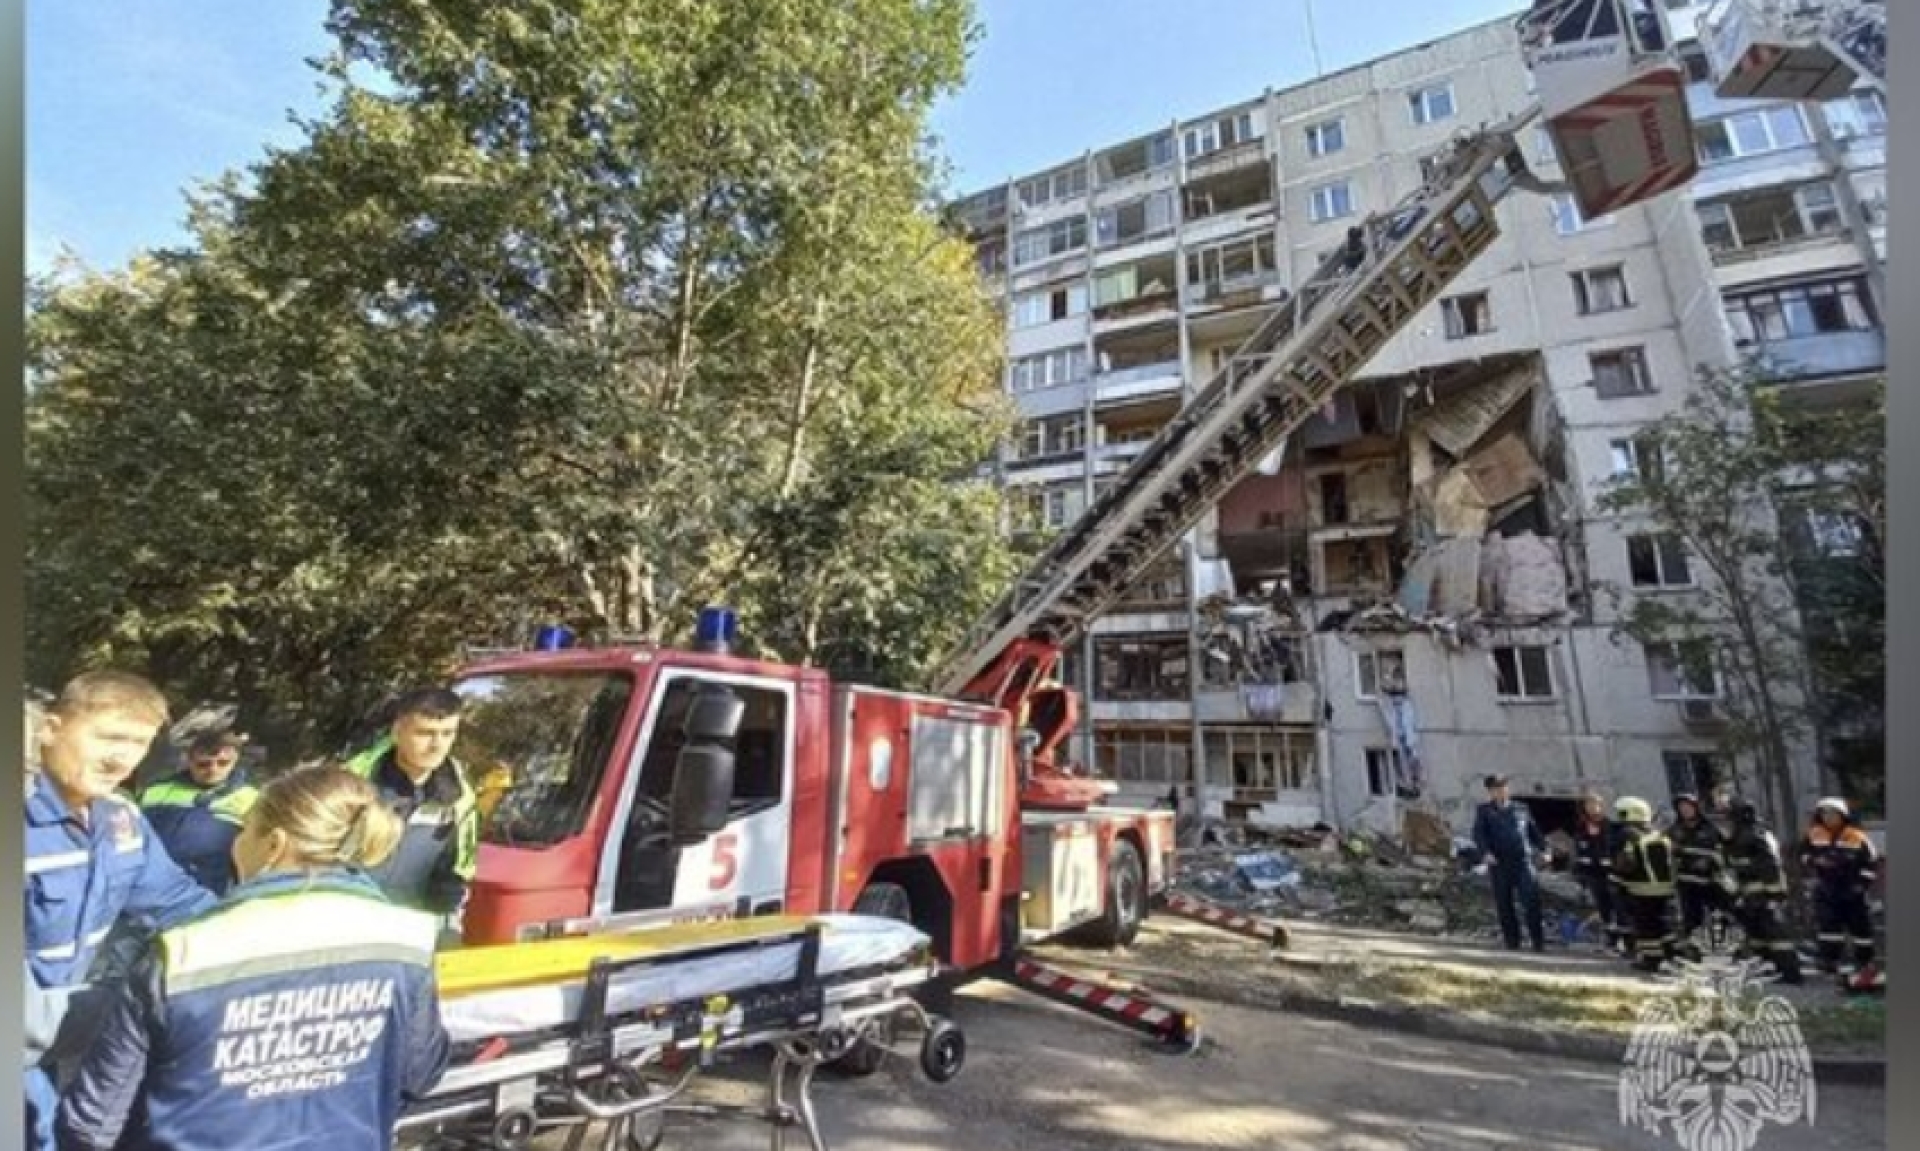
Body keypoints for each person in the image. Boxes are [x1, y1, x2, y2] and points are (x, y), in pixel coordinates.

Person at [57, 764, 451, 1151]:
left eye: (243, 829)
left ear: (274, 844)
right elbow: (421, 1074)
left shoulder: (187, 950)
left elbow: (93, 1122)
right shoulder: (407, 939)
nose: (236, 842)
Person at [24, 672, 217, 1151]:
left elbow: (180, 905)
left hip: (56, 1048)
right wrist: (138, 1011)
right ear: (50, 728)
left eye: (138, 744)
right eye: (108, 737)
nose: (121, 758)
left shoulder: (119, 820)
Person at [345, 687, 479, 925]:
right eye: (425, 733)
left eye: (447, 733)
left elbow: (454, 874)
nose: (437, 745)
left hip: (411, 932)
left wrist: (443, 929)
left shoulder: (459, 798)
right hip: (346, 925)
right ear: (397, 732)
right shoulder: (351, 785)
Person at [138, 728, 260, 894]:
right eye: (203, 764)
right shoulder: (156, 790)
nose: (213, 769)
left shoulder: (251, 798)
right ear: (189, 760)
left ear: (235, 760)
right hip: (148, 884)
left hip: (207, 889)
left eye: (223, 763)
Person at [1799, 796, 1880, 982]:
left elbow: (1871, 862)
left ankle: (1865, 962)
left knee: (1860, 928)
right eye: (1824, 813)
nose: (1828, 817)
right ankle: (1829, 961)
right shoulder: (1814, 834)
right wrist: (1814, 861)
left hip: (1852, 889)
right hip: (1826, 889)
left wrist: (1862, 884)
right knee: (1828, 927)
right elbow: (1803, 853)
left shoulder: (1856, 836)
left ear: (1842, 815)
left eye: (1832, 813)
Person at [1722, 799, 1803, 984]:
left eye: (1729, 816)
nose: (1727, 820)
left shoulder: (1756, 835)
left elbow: (1770, 866)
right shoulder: (1738, 836)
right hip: (1749, 895)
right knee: (1758, 935)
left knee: (1776, 936)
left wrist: (1774, 896)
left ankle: (1790, 973)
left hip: (1763, 895)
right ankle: (1769, 969)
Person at [1470, 775, 1548, 952]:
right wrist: (1486, 853)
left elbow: (1534, 833)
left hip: (1523, 861)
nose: (1501, 790)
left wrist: (1545, 850)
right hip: (1500, 863)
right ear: (1490, 791)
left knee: (1531, 901)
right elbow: (1479, 835)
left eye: (1504, 786)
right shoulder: (1484, 811)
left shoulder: (1522, 808)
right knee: (1504, 904)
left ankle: (1538, 942)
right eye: (1497, 788)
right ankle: (1512, 942)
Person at [1610, 797, 1677, 972]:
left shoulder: (1626, 834)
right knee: (1662, 924)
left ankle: (1651, 960)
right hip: (1664, 888)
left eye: (1621, 813)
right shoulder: (1656, 834)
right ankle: (1673, 954)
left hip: (1640, 889)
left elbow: (1625, 863)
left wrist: (1617, 882)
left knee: (1645, 926)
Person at [1669, 792, 1729, 958]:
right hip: (1686, 882)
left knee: (1718, 917)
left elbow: (1723, 852)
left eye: (1688, 807)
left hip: (1711, 881)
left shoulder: (1710, 828)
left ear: (1696, 808)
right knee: (1691, 918)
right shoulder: (1674, 830)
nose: (1685, 811)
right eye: (1681, 808)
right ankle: (1695, 951)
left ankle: (1721, 948)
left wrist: (1710, 863)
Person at [1570, 792, 1623, 954]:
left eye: (1595, 804)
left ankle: (1623, 940)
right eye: (1589, 805)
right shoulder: (1581, 826)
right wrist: (1580, 869)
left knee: (1618, 906)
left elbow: (1613, 848)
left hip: (1610, 873)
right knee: (1603, 907)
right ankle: (1610, 940)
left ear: (1602, 806)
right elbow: (1579, 849)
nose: (1592, 808)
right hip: (1592, 874)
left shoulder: (1611, 826)